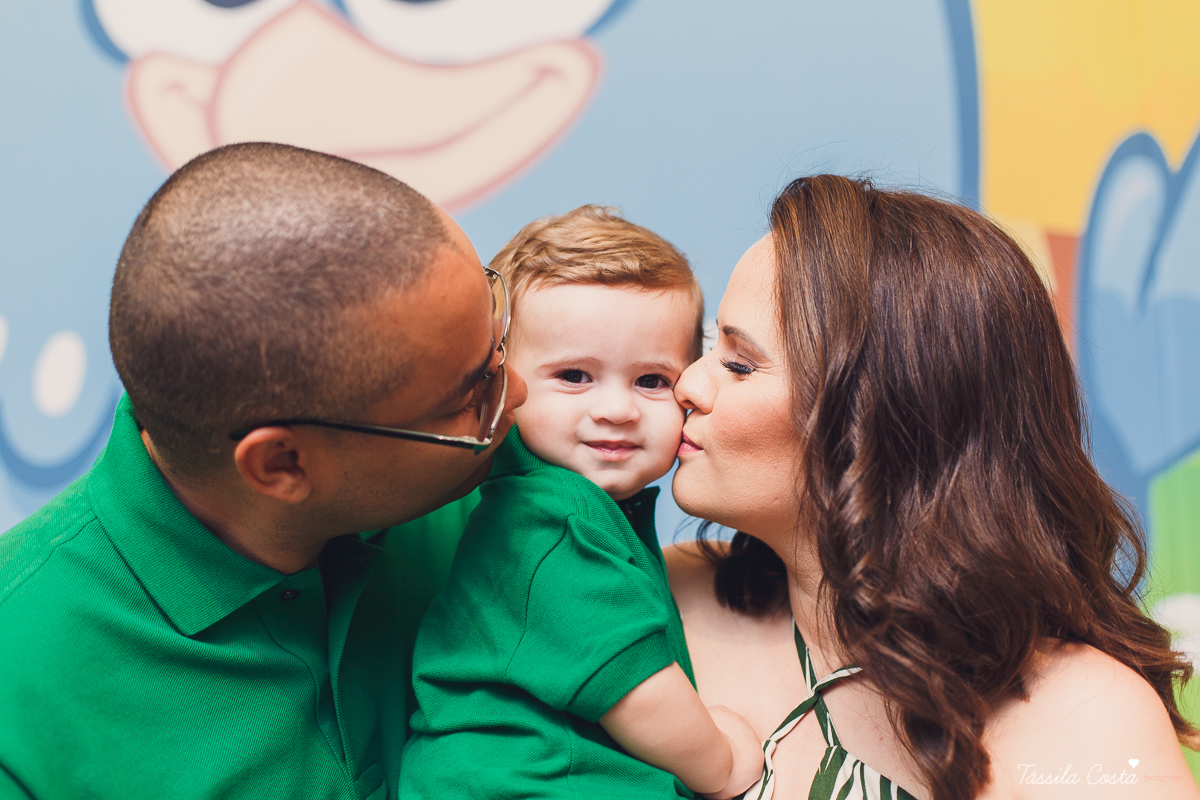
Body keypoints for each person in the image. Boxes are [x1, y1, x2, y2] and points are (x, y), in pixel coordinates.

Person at [0, 142, 526, 799]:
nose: (523, 395)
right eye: (469, 395)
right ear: (283, 464)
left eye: (501, 337)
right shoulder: (17, 712)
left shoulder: (512, 479)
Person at [665, 175, 1200, 800]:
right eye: (709, 347)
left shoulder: (1087, 718)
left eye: (738, 364)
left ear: (879, 417)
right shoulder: (637, 602)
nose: (686, 385)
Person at [400, 206, 763, 799]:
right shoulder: (549, 520)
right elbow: (628, 681)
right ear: (503, 380)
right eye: (574, 375)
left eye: (651, 381)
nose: (617, 409)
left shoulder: (573, 507)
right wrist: (720, 763)